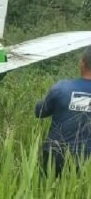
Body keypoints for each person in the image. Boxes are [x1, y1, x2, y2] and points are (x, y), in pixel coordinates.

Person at [35, 46, 91, 176]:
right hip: (87, 157)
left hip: (56, 153)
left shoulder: (62, 88)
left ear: (82, 63)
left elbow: (39, 112)